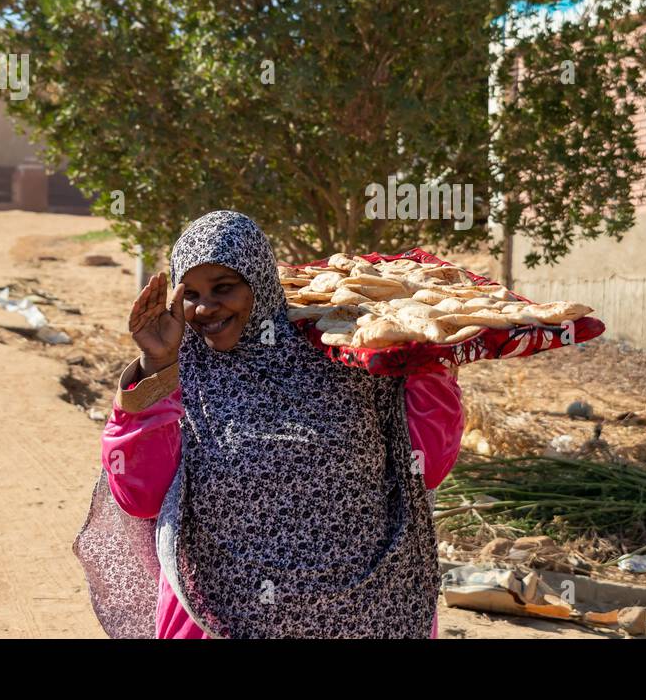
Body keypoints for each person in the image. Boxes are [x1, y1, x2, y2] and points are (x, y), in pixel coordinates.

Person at [73, 210, 465, 638]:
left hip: (359, 612)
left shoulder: (345, 357)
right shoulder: (179, 374)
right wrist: (155, 365)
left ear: (259, 281)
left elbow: (426, 466)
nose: (205, 308)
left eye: (224, 288)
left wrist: (431, 363)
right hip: (219, 617)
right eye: (192, 294)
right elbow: (139, 496)